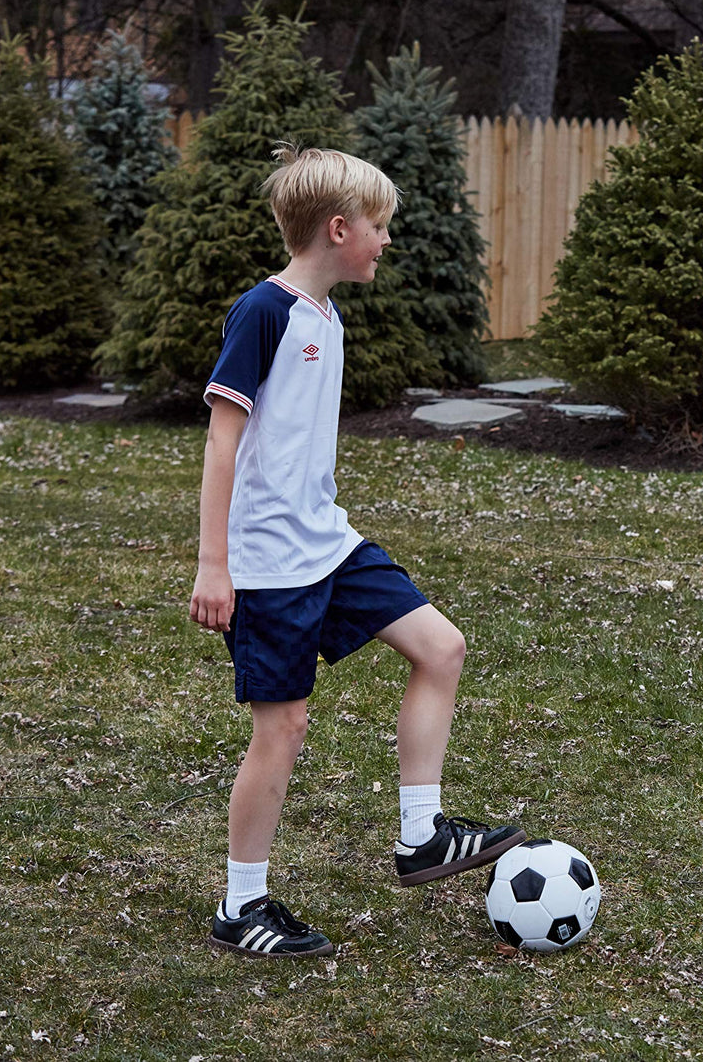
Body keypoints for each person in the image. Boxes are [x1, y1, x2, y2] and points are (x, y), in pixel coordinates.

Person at [190, 144, 525, 958]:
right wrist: (213, 563)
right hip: (268, 564)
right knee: (285, 727)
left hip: (329, 546)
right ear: (337, 228)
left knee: (441, 646)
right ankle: (243, 904)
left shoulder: (327, 315)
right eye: (377, 226)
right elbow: (222, 442)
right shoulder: (263, 312)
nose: (384, 240)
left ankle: (422, 835)